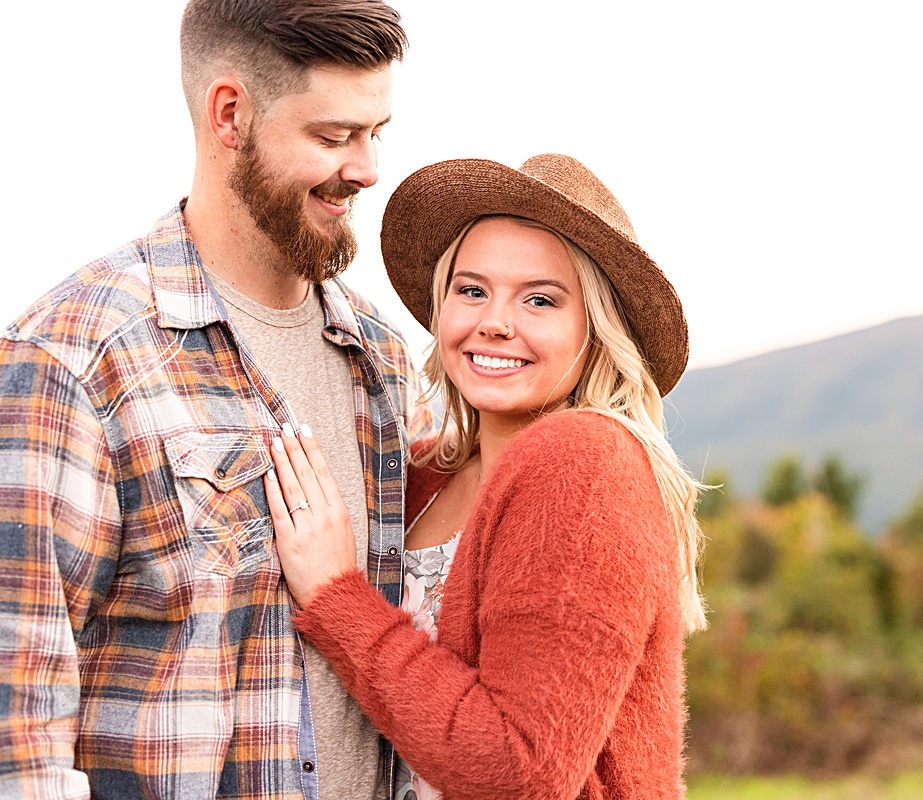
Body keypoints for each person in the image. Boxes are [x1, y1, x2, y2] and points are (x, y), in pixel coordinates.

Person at [0, 2, 430, 798]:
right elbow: (17, 731)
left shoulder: (385, 361)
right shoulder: (75, 357)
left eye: (378, 133)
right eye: (334, 137)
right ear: (229, 114)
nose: (368, 168)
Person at [264, 153, 706, 799]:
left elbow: (518, 770)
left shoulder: (584, 461)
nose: (494, 321)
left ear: (597, 329)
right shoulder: (424, 472)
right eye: (472, 290)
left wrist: (337, 597)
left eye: (540, 299)